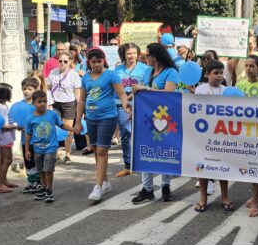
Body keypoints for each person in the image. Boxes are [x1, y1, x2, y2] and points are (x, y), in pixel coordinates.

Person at [74, 48, 130, 202]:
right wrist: (78, 121)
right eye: (93, 62)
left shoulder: (111, 75)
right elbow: (82, 100)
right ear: (89, 62)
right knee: (97, 150)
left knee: (102, 151)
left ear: (103, 61)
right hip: (91, 118)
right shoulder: (85, 78)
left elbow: (121, 93)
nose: (97, 65)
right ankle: (105, 182)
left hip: (108, 117)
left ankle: (97, 187)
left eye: (99, 61)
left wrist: (125, 104)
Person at [131, 43, 179, 204]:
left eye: (147, 56)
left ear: (155, 57)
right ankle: (147, 189)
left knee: (165, 151)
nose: (145, 58)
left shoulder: (171, 72)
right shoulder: (147, 71)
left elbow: (169, 94)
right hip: (147, 118)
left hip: (167, 118)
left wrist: (145, 89)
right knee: (145, 151)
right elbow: (141, 92)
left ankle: (165, 186)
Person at [193, 59, 235, 212]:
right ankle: (203, 197)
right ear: (207, 74)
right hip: (204, 134)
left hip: (222, 134)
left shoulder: (227, 90)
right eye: (215, 73)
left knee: (222, 165)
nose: (219, 76)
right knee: (202, 166)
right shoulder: (200, 90)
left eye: (221, 73)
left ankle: (225, 196)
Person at [235, 54, 258, 217]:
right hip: (244, 131)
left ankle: (255, 202)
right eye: (247, 66)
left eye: (252, 66)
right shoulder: (240, 85)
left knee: (255, 166)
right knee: (249, 166)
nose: (249, 68)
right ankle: (256, 196)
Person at [25, 91, 73, 203]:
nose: (43, 104)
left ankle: (49, 190)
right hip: (37, 148)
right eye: (39, 102)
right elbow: (28, 134)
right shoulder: (30, 118)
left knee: (48, 169)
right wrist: (27, 149)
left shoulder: (52, 114)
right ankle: (43, 188)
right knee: (41, 169)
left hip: (51, 147)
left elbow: (61, 124)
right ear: (33, 103)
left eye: (45, 101)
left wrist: (73, 129)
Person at [114, 42, 149, 177]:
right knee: (126, 134)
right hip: (123, 105)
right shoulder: (117, 70)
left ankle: (143, 162)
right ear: (123, 55)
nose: (132, 56)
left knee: (142, 134)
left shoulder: (145, 69)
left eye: (134, 53)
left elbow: (148, 86)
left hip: (141, 105)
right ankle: (128, 165)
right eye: (129, 53)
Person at [47, 51, 82, 164]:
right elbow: (47, 88)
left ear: (70, 62)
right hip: (55, 103)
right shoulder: (53, 72)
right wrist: (49, 103)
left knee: (67, 129)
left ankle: (67, 153)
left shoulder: (74, 74)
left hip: (69, 104)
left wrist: (80, 108)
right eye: (60, 61)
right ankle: (56, 153)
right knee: (53, 128)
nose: (62, 63)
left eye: (65, 61)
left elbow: (77, 93)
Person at [0, 83, 20, 193]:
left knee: (3, 159)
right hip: (5, 137)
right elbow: (3, 126)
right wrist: (16, 126)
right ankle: (0, 184)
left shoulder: (1, 106)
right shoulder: (2, 108)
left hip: (4, 137)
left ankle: (4, 180)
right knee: (8, 159)